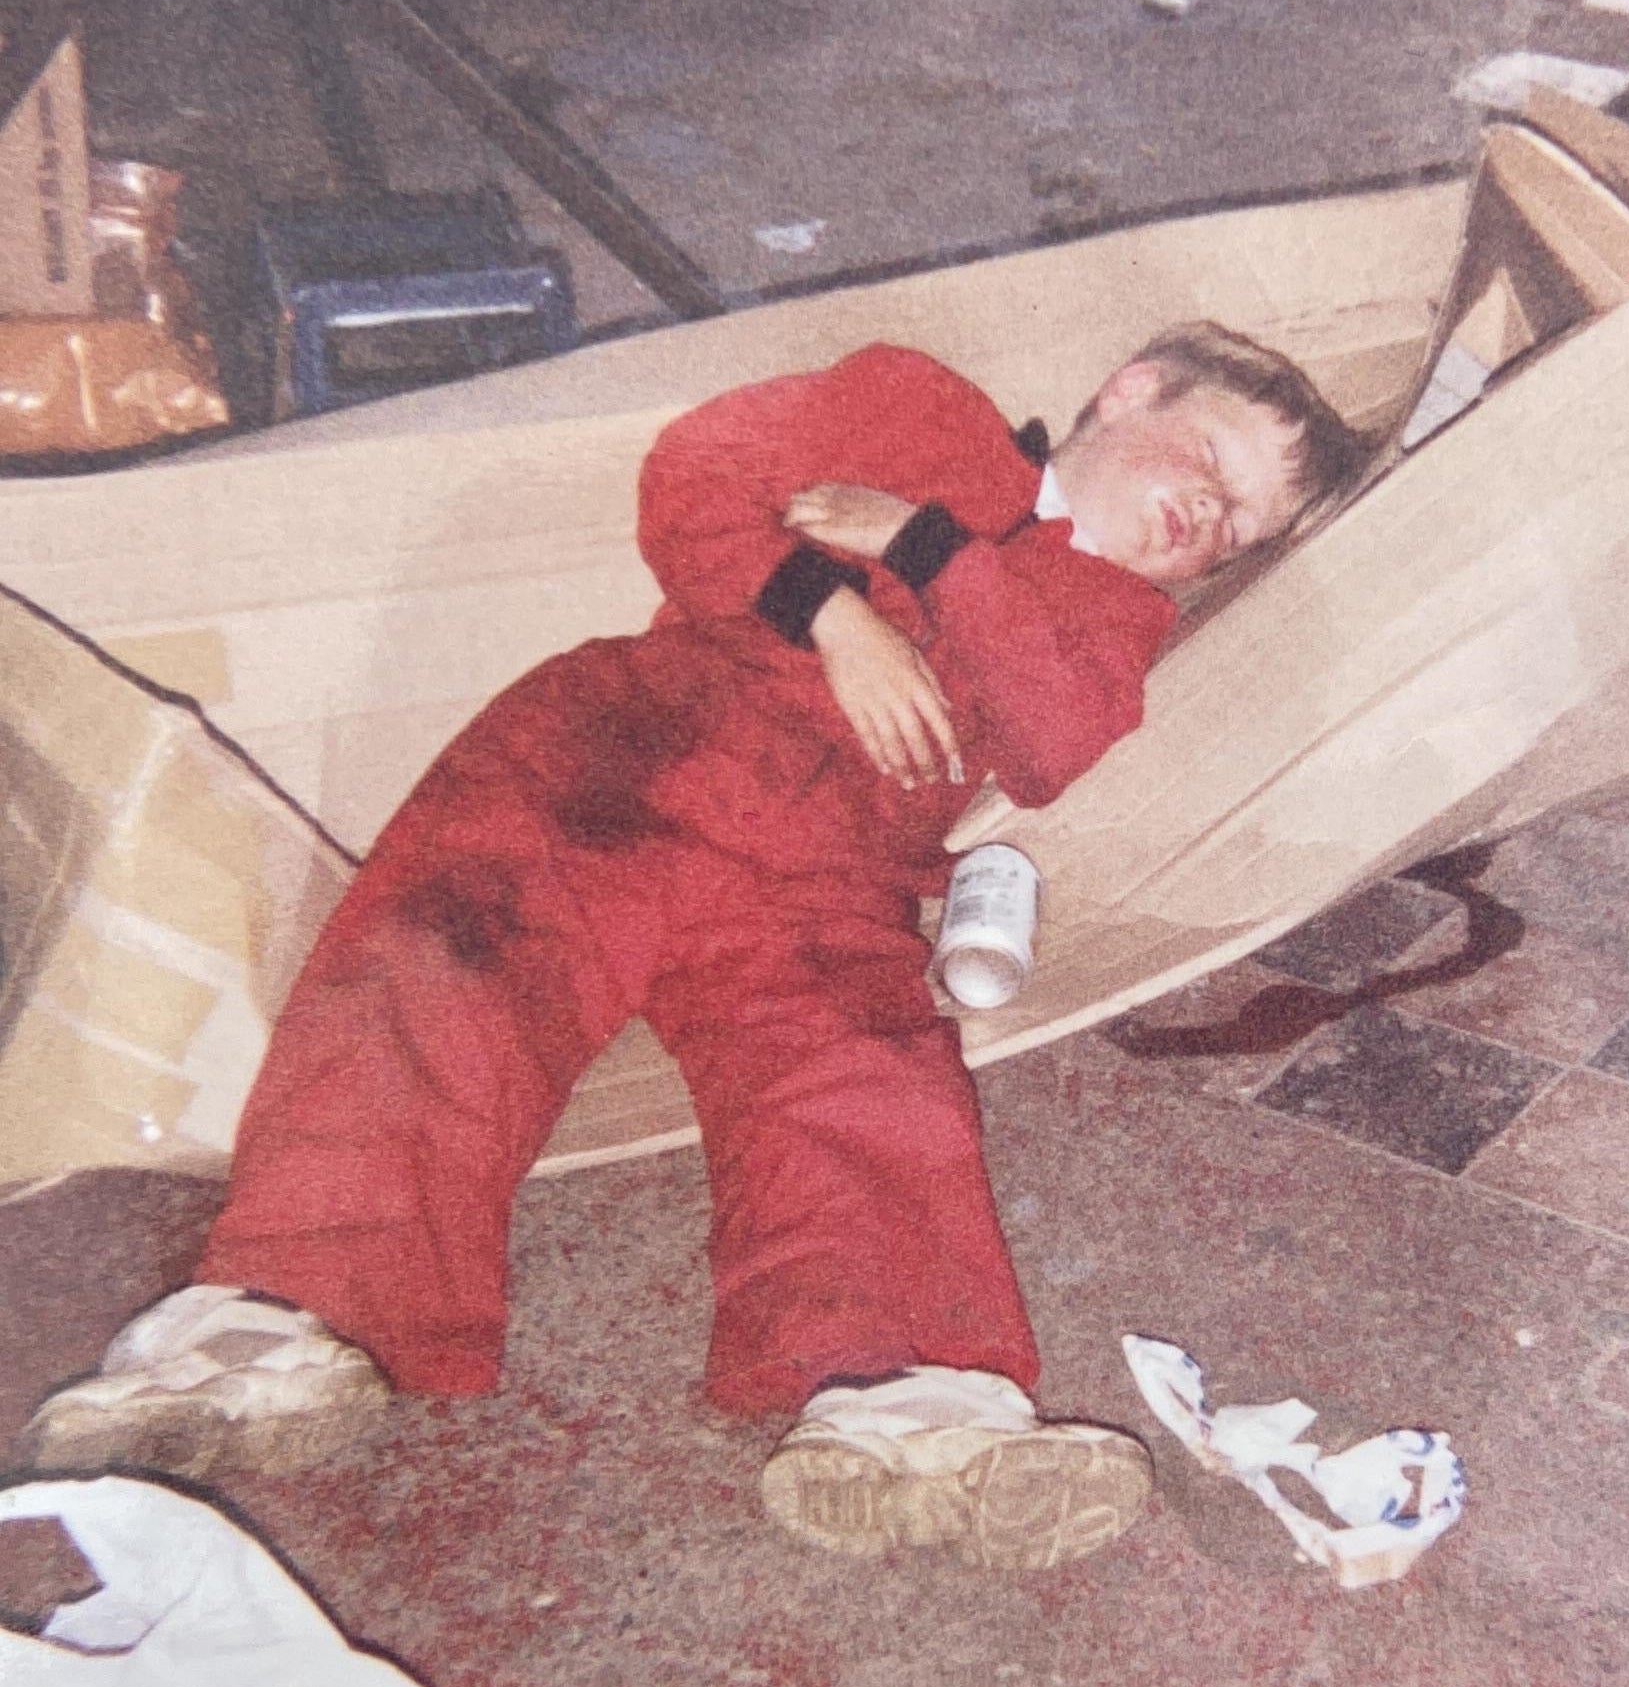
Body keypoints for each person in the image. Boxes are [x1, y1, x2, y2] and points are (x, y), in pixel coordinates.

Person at [23, 323, 1368, 1572]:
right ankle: (265, 1316)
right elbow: (700, 478)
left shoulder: (1112, 620)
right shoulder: (915, 407)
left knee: (859, 1079)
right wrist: (831, 615)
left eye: (1235, 523)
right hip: (629, 747)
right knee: (442, 971)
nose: (1207, 511)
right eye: (1207, 457)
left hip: (827, 863)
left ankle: (903, 1402)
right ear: (1130, 389)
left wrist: (924, 552)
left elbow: (1053, 735)